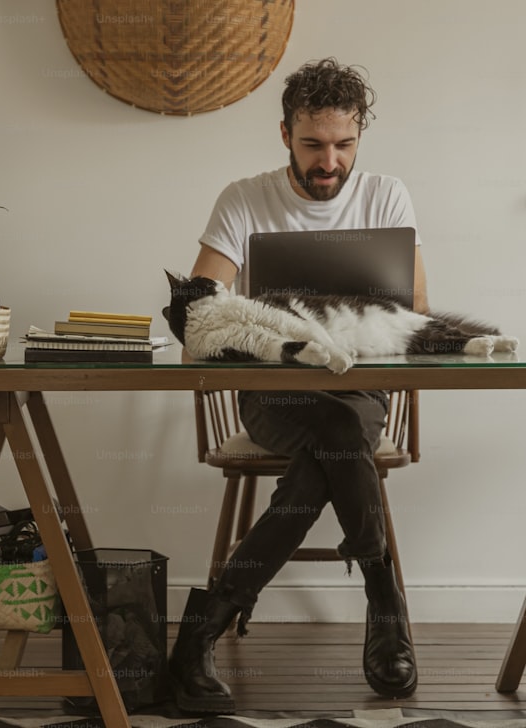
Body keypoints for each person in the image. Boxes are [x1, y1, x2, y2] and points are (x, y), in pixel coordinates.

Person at [168, 58, 427, 714]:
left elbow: (417, 314)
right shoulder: (244, 198)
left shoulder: (386, 195)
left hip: (360, 391)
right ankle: (385, 604)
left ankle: (203, 629)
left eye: (344, 145)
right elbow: (196, 312)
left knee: (330, 446)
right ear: (285, 134)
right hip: (271, 393)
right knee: (337, 441)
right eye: (313, 145)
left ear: (359, 136)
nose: (329, 162)